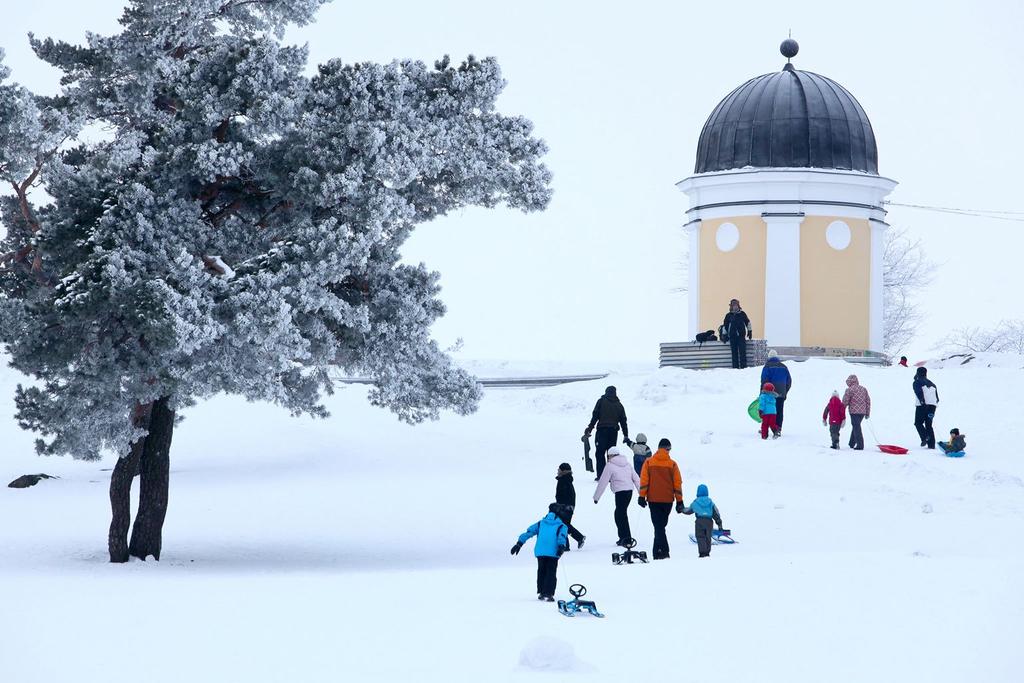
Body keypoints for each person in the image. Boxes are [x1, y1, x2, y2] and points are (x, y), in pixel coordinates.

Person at [510, 503, 568, 601]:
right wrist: (561, 547)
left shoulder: (541, 523)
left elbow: (530, 532)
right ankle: (549, 593)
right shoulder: (562, 525)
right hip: (553, 552)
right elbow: (562, 537)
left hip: (540, 551)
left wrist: (519, 543)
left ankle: (541, 592)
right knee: (551, 572)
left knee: (541, 571)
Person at [637, 438, 683, 560]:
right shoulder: (673, 464)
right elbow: (677, 484)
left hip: (653, 500)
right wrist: (679, 501)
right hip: (668, 501)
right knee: (660, 526)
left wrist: (642, 496)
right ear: (667, 449)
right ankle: (660, 552)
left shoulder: (648, 462)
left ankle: (661, 552)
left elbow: (644, 481)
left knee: (658, 526)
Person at [593, 446, 641, 546]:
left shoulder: (610, 465)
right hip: (629, 492)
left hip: (620, 493)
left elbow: (603, 482)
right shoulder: (627, 464)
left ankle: (626, 538)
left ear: (610, 455)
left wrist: (596, 497)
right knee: (620, 514)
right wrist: (642, 493)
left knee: (621, 514)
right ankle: (623, 537)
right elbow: (636, 479)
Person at [583, 386, 628, 479]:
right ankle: (611, 476)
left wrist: (589, 428)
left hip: (602, 431)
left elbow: (595, 416)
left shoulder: (601, 401)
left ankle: (601, 476)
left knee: (600, 453)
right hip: (613, 432)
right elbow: (623, 421)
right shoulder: (619, 405)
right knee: (611, 454)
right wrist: (625, 435)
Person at [680, 484, 724, 558]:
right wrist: (719, 524)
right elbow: (716, 514)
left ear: (698, 492)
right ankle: (707, 553)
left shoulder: (696, 502)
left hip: (699, 521)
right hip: (709, 522)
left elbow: (688, 511)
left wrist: (681, 509)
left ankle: (702, 553)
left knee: (700, 537)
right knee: (708, 537)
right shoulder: (710, 502)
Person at [554, 463, 586, 549]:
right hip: (567, 506)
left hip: (565, 507)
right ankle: (570, 542)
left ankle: (571, 542)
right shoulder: (565, 479)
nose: (557, 471)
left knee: (563, 525)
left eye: (559, 470)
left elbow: (563, 495)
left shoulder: (563, 480)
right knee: (564, 524)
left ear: (563, 471)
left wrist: (560, 506)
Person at [760, 349, 792, 433]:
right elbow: (789, 381)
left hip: (769, 393)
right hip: (781, 392)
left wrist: (762, 393)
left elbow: (764, 381)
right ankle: (778, 428)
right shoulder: (784, 367)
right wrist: (785, 391)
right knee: (780, 410)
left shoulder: (767, 367)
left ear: (769, 357)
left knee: (768, 410)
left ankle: (766, 427)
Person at [842, 374, 871, 450]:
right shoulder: (863, 389)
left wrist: (841, 410)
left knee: (856, 426)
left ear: (850, 382)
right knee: (856, 426)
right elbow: (868, 401)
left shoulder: (849, 390)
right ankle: (851, 443)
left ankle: (860, 445)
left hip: (854, 411)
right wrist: (867, 413)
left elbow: (845, 401)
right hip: (862, 412)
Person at [913, 367, 940, 449]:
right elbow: (937, 398)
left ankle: (925, 437)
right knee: (929, 425)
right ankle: (931, 445)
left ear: (918, 373)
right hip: (933, 406)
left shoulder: (917, 382)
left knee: (918, 423)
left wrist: (922, 401)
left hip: (922, 405)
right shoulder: (933, 384)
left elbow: (919, 392)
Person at [721, 299, 752, 369]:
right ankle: (735, 368)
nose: (735, 307)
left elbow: (748, 322)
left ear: (738, 306)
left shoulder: (742, 314)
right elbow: (725, 325)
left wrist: (750, 331)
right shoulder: (728, 315)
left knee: (742, 353)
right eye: (733, 305)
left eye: (736, 305)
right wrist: (724, 335)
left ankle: (744, 368)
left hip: (741, 337)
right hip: (732, 337)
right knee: (734, 354)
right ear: (731, 306)